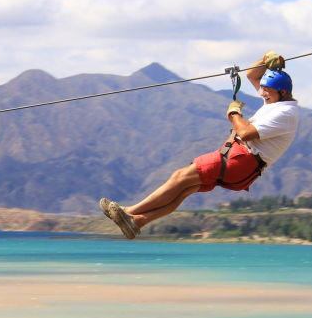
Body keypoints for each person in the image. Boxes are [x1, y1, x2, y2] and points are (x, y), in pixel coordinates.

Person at [100, 50, 299, 239]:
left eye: (267, 90)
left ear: (282, 92)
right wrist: (267, 57)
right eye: (262, 89)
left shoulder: (284, 114)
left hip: (240, 160)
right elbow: (251, 75)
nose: (262, 93)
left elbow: (245, 133)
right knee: (184, 189)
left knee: (179, 177)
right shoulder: (275, 103)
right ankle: (138, 222)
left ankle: (128, 212)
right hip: (244, 167)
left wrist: (234, 114)